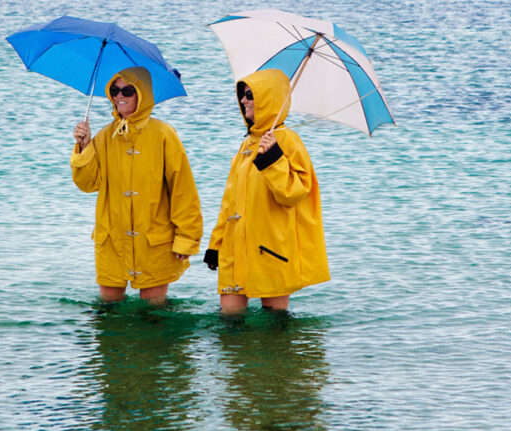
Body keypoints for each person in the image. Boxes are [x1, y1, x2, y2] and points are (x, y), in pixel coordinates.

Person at [204, 68, 329, 315]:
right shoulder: (247, 143)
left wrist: (273, 158)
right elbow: (229, 201)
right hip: (235, 248)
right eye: (242, 95)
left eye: (250, 95)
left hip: (272, 248)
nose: (243, 101)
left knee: (275, 327)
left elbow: (294, 193)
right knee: (229, 324)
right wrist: (216, 245)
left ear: (267, 99)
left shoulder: (288, 140)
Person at [72, 67, 202, 305]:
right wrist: (84, 146)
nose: (119, 95)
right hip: (112, 239)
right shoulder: (104, 136)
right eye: (114, 90)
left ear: (141, 95)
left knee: (154, 316)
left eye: (127, 90)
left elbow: (183, 190)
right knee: (108, 316)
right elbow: (88, 184)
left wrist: (186, 238)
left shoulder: (164, 134)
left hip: (154, 240)